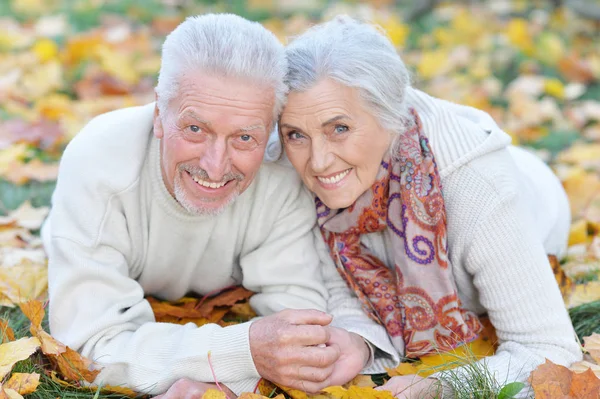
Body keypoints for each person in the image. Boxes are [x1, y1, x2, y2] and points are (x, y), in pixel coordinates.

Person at [42, 14, 373, 398]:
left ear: (269, 133)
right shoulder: (98, 160)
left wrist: (220, 379)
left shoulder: (282, 173)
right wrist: (242, 353)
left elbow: (298, 339)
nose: (215, 166)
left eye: (245, 137)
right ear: (158, 115)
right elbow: (89, 346)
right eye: (196, 129)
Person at [278, 16, 582, 398]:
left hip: (534, 193)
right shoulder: (317, 169)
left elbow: (549, 349)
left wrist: (444, 386)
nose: (318, 162)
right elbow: (345, 284)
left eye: (339, 128)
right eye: (296, 135)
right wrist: (356, 340)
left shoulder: (479, 189)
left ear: (390, 116)